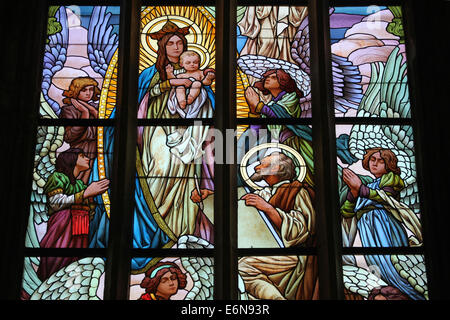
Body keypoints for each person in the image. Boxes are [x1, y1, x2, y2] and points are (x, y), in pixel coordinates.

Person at [133, 20, 215, 272]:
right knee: (158, 170)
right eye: (171, 43)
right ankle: (158, 231)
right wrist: (168, 84)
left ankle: (182, 235)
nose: (176, 47)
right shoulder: (149, 74)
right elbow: (140, 99)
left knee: (184, 178)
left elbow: (209, 102)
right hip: (156, 131)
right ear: (161, 46)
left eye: (180, 43)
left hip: (189, 132)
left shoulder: (195, 70)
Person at [341, 147, 424, 300]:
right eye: (372, 160)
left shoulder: (391, 178)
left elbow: (385, 198)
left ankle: (412, 295)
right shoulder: (370, 184)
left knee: (393, 266)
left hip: (384, 226)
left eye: (381, 161)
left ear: (389, 164)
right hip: (367, 231)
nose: (375, 164)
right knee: (378, 266)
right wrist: (353, 192)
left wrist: (359, 188)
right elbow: (347, 212)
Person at [238, 152, 318, 300]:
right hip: (266, 252)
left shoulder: (298, 191)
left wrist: (268, 209)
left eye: (263, 164)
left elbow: (302, 229)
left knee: (243, 266)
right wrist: (209, 196)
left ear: (276, 169)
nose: (257, 167)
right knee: (239, 267)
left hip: (293, 255)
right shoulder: (264, 193)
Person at [36, 148, 110, 281]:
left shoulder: (80, 184)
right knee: (58, 259)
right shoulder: (58, 177)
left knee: (74, 263)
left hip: (79, 230)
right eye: (82, 156)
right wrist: (86, 194)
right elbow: (55, 202)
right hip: (61, 228)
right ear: (71, 159)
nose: (87, 158)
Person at [242, 68, 314, 188]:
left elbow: (281, 115)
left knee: (310, 175)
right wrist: (253, 110)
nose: (268, 79)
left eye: (274, 77)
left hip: (298, 143)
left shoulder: (291, 97)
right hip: (280, 145)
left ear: (283, 81)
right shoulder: (269, 105)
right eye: (267, 77)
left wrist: (259, 105)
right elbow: (257, 131)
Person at [60, 76, 101, 183]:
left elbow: (105, 133)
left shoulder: (97, 109)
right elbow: (69, 137)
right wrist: (84, 115)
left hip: (98, 152)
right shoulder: (68, 110)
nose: (89, 93)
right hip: (79, 155)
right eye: (84, 90)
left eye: (91, 89)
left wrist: (95, 113)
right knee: (77, 184)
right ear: (76, 90)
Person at [166, 50, 215, 117]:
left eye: (195, 62)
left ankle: (191, 98)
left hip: (197, 95)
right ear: (181, 64)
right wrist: (170, 73)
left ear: (199, 63)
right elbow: (173, 80)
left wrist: (208, 78)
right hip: (183, 93)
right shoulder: (182, 75)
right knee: (179, 87)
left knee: (197, 83)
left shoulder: (200, 73)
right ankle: (181, 101)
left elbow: (206, 83)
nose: (192, 64)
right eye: (188, 63)